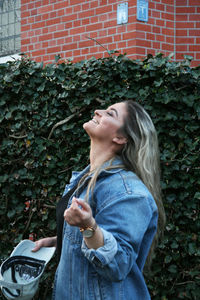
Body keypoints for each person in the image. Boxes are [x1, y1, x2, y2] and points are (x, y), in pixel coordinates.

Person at [32, 100, 165, 300]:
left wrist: (87, 226)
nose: (97, 111)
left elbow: (118, 264)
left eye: (110, 113)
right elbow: (93, 237)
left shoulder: (128, 192)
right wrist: (59, 242)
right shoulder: (88, 177)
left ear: (121, 137)